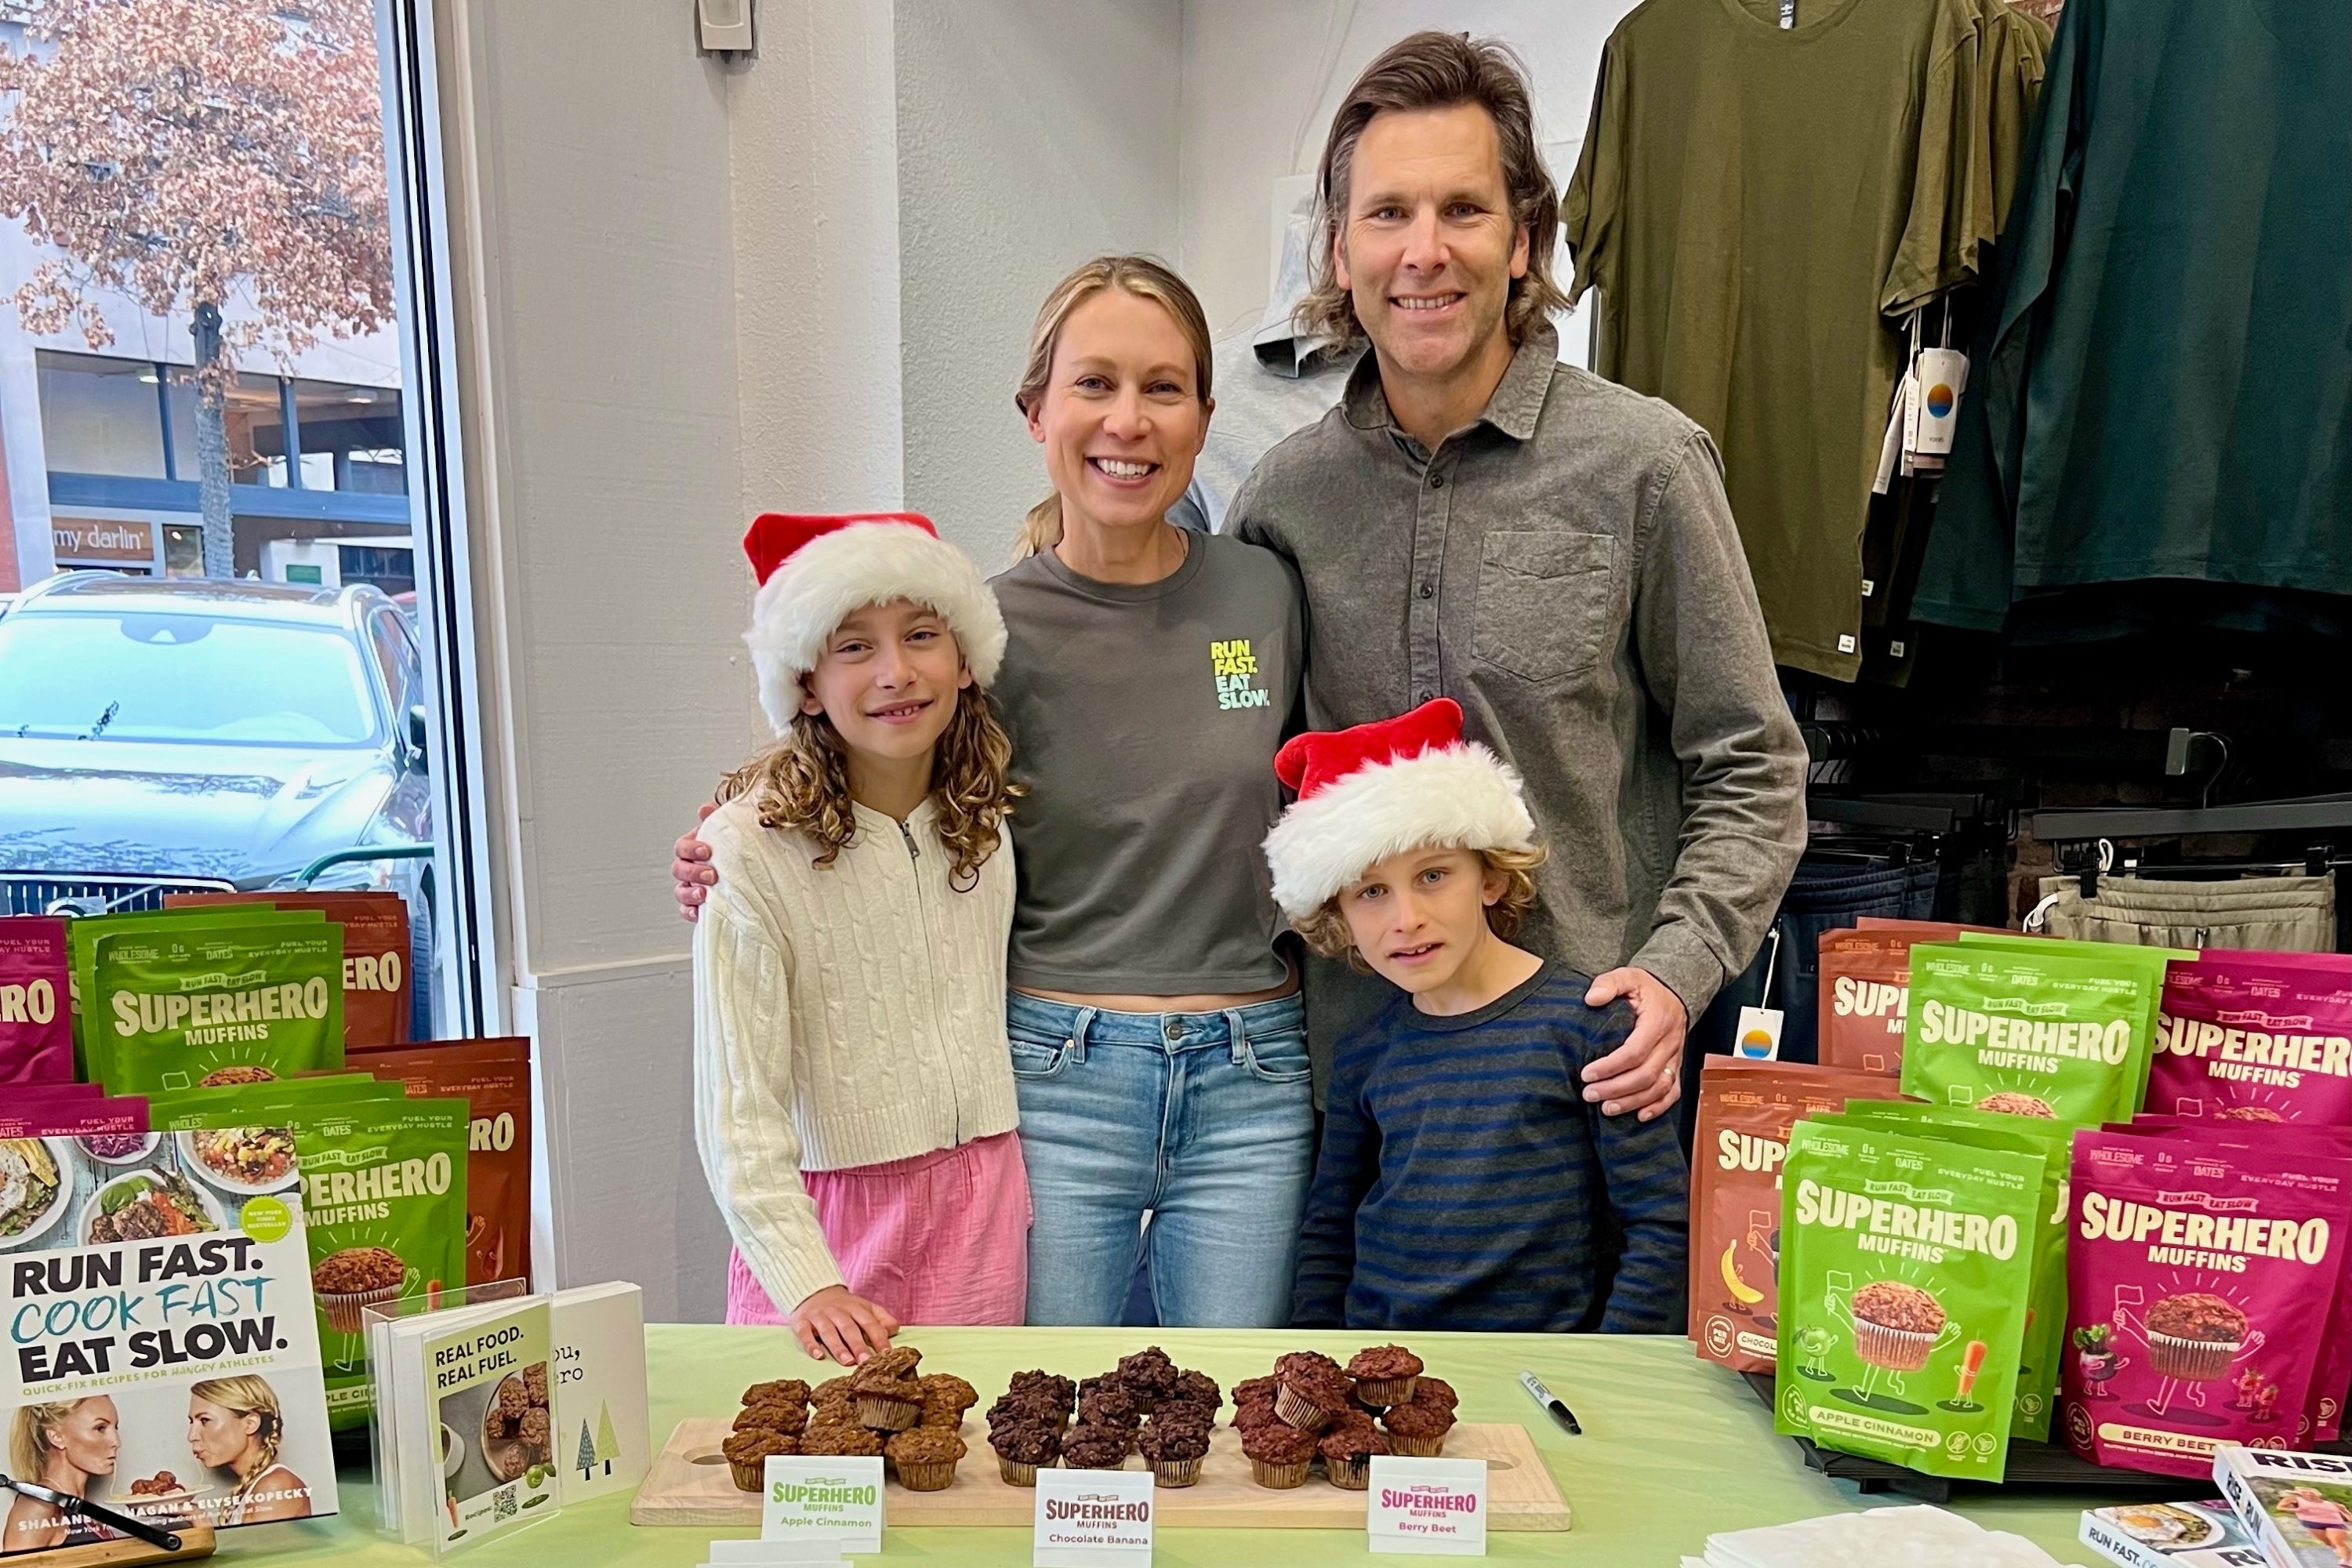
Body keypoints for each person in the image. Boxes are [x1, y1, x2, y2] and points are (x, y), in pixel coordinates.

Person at [684, 257, 1320, 1328]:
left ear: (1206, 416)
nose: (1129, 419)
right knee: (1060, 1420)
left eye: (1163, 388)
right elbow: (861, 758)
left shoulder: (1264, 592)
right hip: (1057, 1076)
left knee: (1226, 1421)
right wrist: (729, 836)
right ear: (1036, 410)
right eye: (1094, 384)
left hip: (1254, 1077)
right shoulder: (979, 630)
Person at [1229, 31, 1809, 1122]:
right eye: (1389, 213)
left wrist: (1678, 977)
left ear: (1524, 238)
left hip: (1585, 1079)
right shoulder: (1281, 502)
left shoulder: (1645, 467)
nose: (1424, 251)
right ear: (1341, 251)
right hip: (1361, 1103)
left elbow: (1752, 765)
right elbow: (1232, 743)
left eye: (1464, 210)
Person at [692, 510, 1027, 1363]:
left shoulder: (984, 825)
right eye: (853, 646)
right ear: (805, 681)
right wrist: (806, 1277)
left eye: (921, 634)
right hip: (829, 1219)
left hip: (981, 1203)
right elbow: (738, 1107)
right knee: (817, 1471)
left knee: (968, 1459)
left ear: (963, 660)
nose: (897, 671)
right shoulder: (745, 850)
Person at [1272, 699, 1686, 1330]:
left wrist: (1612, 1368)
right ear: (1340, 916)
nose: (1406, 918)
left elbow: (1658, 1222)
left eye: (1433, 875)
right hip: (1379, 1374)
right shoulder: (1362, 1053)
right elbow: (1330, 1234)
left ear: (1490, 877)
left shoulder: (1590, 1027)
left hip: (1542, 1378)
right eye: (1371, 891)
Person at [185, 1376, 311, 1525]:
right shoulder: (258, 1485)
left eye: (205, 1420)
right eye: (192, 1422)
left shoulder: (276, 1487)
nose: (191, 1436)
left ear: (250, 1424)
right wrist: (193, 1513)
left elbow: (262, 1549)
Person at [5, 1395, 120, 1552]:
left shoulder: (80, 1507)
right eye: (100, 1428)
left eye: (116, 1427)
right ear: (57, 1437)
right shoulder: (37, 1507)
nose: (116, 1442)